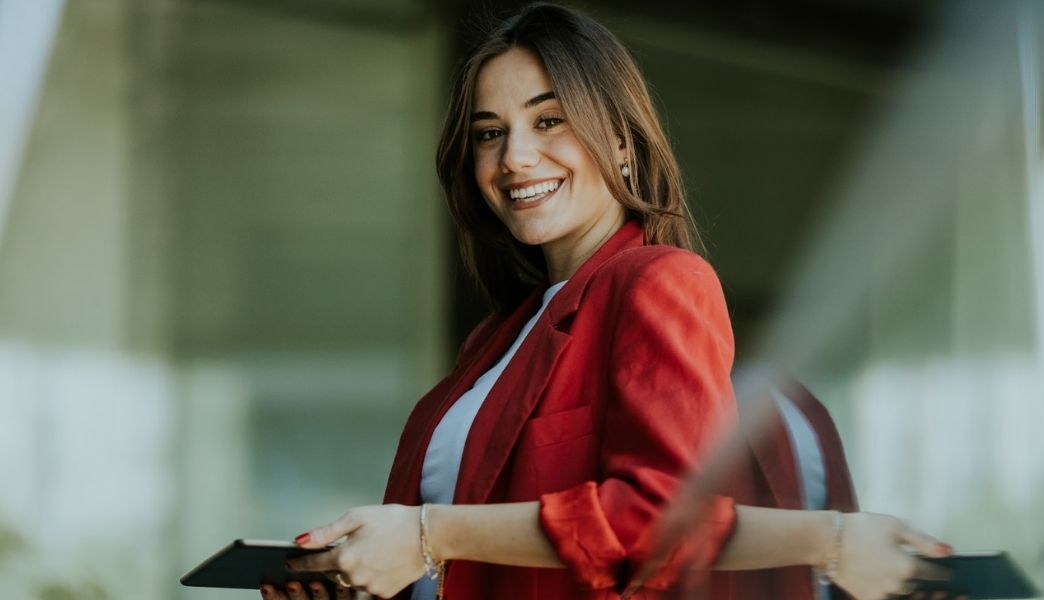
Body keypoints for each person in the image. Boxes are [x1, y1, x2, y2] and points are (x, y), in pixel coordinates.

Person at [262, 4, 953, 600]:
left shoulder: (661, 281)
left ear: (621, 142)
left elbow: (667, 520)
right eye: (490, 133)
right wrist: (357, 576)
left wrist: (425, 534)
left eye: (550, 120)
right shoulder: (493, 343)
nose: (515, 158)